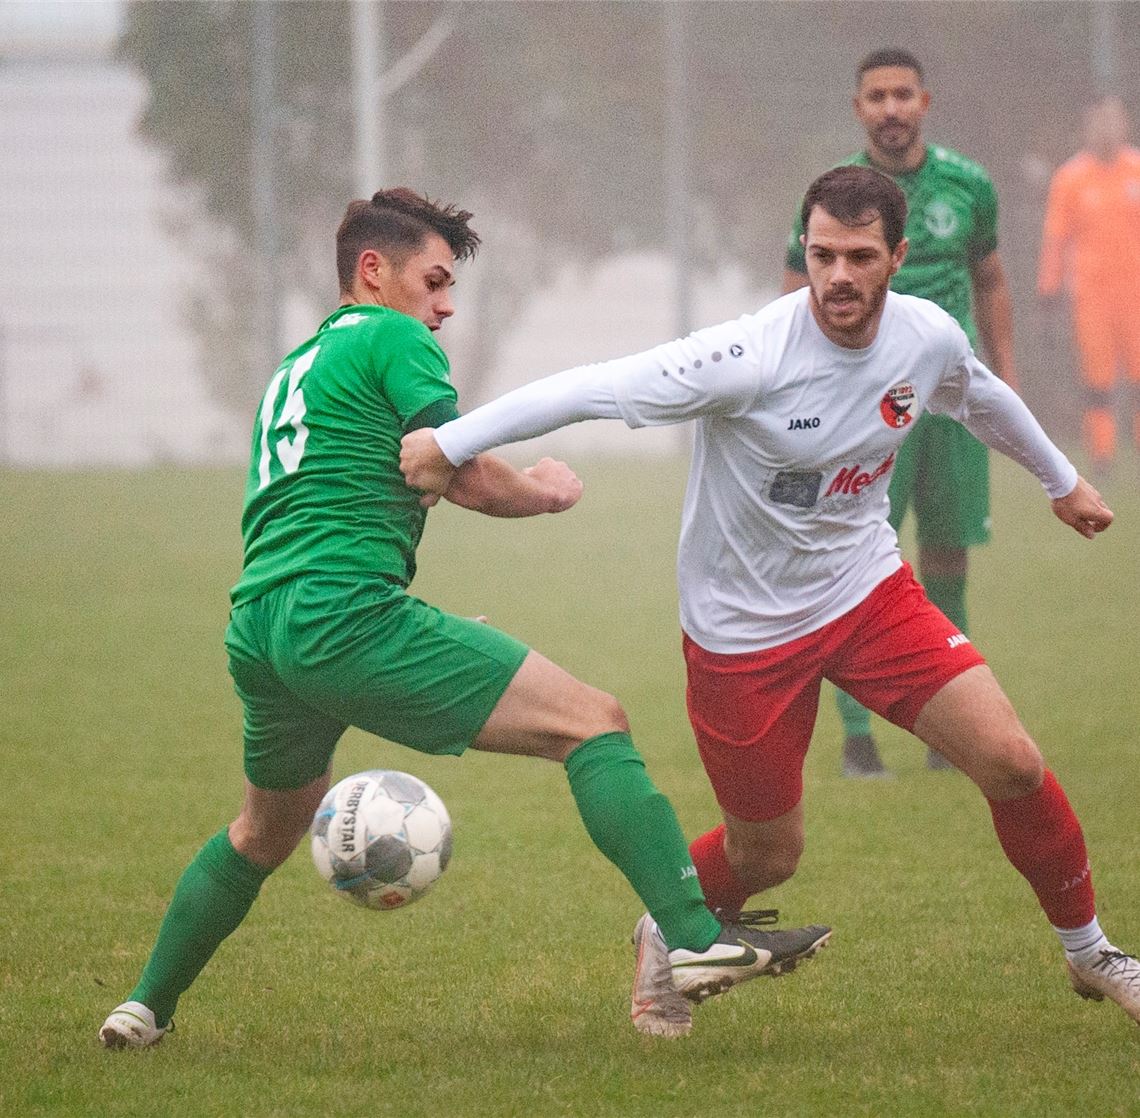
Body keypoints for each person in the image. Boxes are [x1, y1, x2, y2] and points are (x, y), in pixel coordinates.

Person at [401, 165, 1139, 1040]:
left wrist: (1062, 482)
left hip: (867, 592)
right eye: (822, 253)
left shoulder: (926, 336)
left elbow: (978, 396)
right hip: (742, 637)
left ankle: (1091, 953)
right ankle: (662, 934)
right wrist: (449, 440)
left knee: (1011, 760)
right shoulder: (747, 357)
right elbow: (588, 387)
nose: (838, 275)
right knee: (767, 855)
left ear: (897, 257)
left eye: (859, 256)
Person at [98, 189, 830, 1049]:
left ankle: (142, 1008)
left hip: (262, 625)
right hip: (342, 618)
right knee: (594, 723)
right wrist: (544, 493)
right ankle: (696, 938)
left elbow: (324, 505)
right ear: (373, 271)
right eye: (435, 281)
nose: (444, 306)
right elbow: (455, 467)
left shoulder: (294, 365)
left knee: (264, 829)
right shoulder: (393, 336)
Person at [784, 48, 1021, 779]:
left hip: (949, 406)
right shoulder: (834, 194)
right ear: (858, 108)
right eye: (876, 96)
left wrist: (1003, 390)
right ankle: (858, 737)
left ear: (925, 101)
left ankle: (949, 732)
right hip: (860, 409)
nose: (891, 108)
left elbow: (989, 280)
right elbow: (796, 292)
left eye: (903, 94)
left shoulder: (968, 186)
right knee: (855, 564)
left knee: (947, 559)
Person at [1038, 95, 1140, 475]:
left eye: (1113, 121)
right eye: (1099, 122)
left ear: (1125, 125)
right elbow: (1055, 237)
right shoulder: (1071, 177)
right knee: (1098, 379)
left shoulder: (1136, 169)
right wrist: (1048, 288)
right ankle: (1103, 455)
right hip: (1091, 297)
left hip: (1136, 294)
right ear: (1087, 128)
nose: (1107, 130)